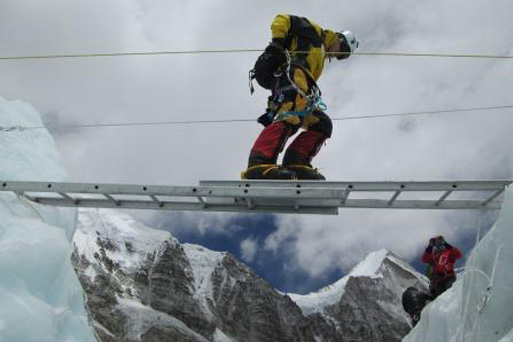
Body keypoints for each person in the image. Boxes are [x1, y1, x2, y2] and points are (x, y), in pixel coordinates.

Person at [241, 14, 359, 180]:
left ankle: (296, 163)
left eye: (342, 56)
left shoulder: (321, 55)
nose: (338, 55)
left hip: (303, 89)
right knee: (290, 115)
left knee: (322, 124)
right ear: (340, 38)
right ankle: (259, 164)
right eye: (342, 50)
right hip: (291, 78)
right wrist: (277, 42)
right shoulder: (315, 33)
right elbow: (283, 19)